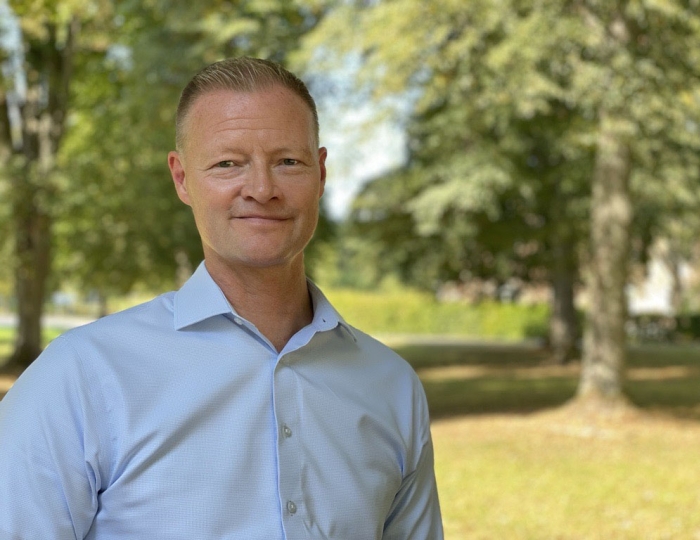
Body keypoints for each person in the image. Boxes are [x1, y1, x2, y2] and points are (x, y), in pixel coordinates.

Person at [0, 57, 443, 539]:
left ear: (320, 172)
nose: (260, 189)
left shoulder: (392, 387)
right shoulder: (81, 375)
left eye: (287, 162)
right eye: (228, 163)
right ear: (182, 178)